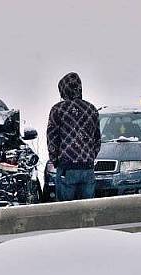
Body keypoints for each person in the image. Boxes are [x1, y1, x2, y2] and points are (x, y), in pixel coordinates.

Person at [46, 72, 101, 201]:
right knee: (88, 210)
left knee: (66, 212)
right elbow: (97, 139)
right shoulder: (92, 109)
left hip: (67, 167)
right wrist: (90, 157)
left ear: (63, 90)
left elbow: (52, 139)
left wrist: (55, 160)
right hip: (87, 168)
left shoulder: (58, 110)